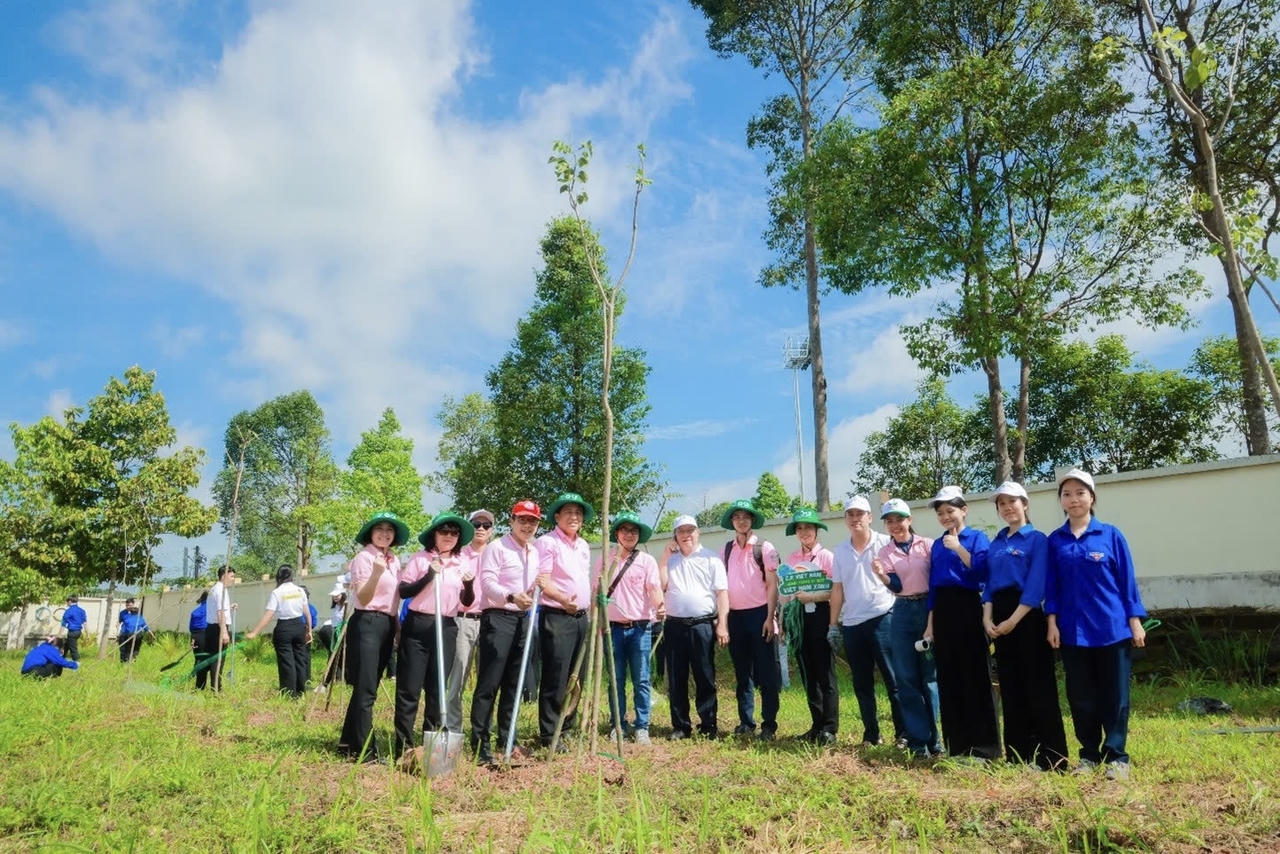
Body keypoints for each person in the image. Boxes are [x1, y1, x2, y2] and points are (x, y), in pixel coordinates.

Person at [1046, 468, 1147, 781]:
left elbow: (1127, 581)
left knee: (1115, 695)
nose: (1073, 499)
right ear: (1061, 501)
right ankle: (1089, 754)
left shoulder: (1111, 535)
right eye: (1067, 494)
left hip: (1111, 628)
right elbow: (1052, 586)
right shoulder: (1055, 541)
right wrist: (1052, 622)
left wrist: (1134, 621)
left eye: (1080, 493)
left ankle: (1117, 756)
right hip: (1072, 631)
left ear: (1092, 497)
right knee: (1081, 696)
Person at [983, 481, 1069, 771]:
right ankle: (1019, 755)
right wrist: (987, 618)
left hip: (1027, 616)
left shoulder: (1037, 540)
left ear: (1025, 504)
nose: (1007, 507)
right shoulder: (996, 543)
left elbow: (1035, 586)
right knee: (1011, 687)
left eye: (1013, 502)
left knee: (1038, 687)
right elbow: (989, 584)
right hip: (999, 616)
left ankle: (1052, 758)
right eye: (1002, 503)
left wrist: (1013, 620)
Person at [925, 485, 1000, 760]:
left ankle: (984, 749)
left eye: (950, 511)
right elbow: (933, 586)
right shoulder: (937, 544)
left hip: (969, 607)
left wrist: (958, 548)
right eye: (941, 513)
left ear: (964, 510)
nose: (946, 517)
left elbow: (982, 574)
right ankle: (957, 746)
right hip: (943, 612)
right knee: (949, 678)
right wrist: (930, 624)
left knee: (975, 676)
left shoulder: (977, 538)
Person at [394, 512, 476, 758]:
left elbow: (467, 602)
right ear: (434, 534)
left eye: (454, 533)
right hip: (418, 625)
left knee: (437, 688)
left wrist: (469, 585)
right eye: (444, 531)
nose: (449, 536)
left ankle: (431, 747)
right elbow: (404, 591)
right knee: (409, 689)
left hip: (447, 625)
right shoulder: (420, 559)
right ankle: (403, 747)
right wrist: (429, 575)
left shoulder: (462, 563)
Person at [827, 497, 903, 747]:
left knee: (894, 680)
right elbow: (837, 589)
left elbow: (900, 577)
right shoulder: (840, 551)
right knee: (862, 683)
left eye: (860, 514)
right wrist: (833, 625)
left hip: (883, 617)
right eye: (850, 514)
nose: (855, 518)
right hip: (852, 624)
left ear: (870, 517)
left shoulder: (885, 542)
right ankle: (871, 734)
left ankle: (903, 733)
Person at [471, 500, 542, 765]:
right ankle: (480, 744)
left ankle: (507, 739)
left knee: (514, 682)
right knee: (490, 683)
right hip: (498, 618)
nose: (527, 525)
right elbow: (487, 583)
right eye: (522, 520)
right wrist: (511, 596)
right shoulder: (497, 548)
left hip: (524, 620)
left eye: (532, 521)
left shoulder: (534, 551)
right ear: (512, 521)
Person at [338, 511, 410, 763]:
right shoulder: (364, 558)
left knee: (367, 687)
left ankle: (347, 743)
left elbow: (394, 599)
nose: (384, 534)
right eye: (379, 529)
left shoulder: (394, 560)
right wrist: (376, 573)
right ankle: (365, 751)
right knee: (366, 689)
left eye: (389, 530)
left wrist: (397, 629)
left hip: (387, 623)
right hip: (367, 622)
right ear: (370, 533)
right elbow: (364, 596)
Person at [874, 499, 941, 758]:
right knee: (906, 677)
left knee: (930, 678)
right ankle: (918, 741)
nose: (895, 525)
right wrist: (881, 575)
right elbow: (897, 586)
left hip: (927, 608)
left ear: (909, 520)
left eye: (899, 519)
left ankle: (935, 740)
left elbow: (936, 581)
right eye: (889, 521)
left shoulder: (928, 545)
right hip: (901, 611)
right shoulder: (885, 552)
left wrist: (933, 620)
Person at [660, 515, 729, 740]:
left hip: (702, 625)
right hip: (674, 625)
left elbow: (722, 593)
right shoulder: (670, 560)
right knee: (676, 677)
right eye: (681, 531)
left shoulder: (711, 558)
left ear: (698, 533)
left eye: (690, 530)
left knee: (705, 675)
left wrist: (723, 624)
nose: (686, 535)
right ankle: (681, 726)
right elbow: (660, 585)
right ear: (675, 536)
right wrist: (665, 556)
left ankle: (708, 724)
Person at [719, 498, 782, 741]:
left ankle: (769, 724)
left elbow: (772, 584)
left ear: (752, 520)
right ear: (732, 522)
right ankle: (746, 722)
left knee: (767, 673)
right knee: (742, 673)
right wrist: (723, 621)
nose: (741, 521)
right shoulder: (726, 550)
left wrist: (770, 616)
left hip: (760, 615)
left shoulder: (764, 548)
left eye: (746, 517)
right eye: (737, 517)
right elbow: (722, 587)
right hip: (735, 617)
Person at [600, 510, 664, 745]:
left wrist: (660, 605)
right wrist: (597, 625)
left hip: (640, 628)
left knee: (642, 679)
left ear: (639, 535)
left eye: (634, 531)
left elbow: (654, 588)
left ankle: (642, 726)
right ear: (617, 533)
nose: (629, 534)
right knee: (616, 680)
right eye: (625, 530)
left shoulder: (646, 561)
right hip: (612, 629)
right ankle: (618, 725)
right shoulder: (606, 559)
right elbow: (598, 592)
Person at [779, 507, 837, 744]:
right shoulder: (793, 558)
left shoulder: (827, 557)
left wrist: (812, 597)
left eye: (808, 527)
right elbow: (787, 592)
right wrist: (782, 621)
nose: (804, 532)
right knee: (807, 672)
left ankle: (830, 728)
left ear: (816, 530)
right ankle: (816, 725)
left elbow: (835, 590)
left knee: (825, 673)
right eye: (800, 528)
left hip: (821, 615)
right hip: (798, 618)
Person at [446, 509, 493, 735]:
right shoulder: (458, 555)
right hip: (463, 620)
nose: (481, 528)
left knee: (488, 680)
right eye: (476, 524)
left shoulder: (497, 553)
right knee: (457, 676)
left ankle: (481, 730)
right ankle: (452, 728)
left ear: (492, 530)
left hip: (491, 620)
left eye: (486, 525)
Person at [245, 565, 313, 698]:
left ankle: (289, 694)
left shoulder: (277, 592)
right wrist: (309, 631)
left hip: (284, 628)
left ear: (278, 577)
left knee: (287, 662)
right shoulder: (300, 590)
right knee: (300, 659)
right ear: (292, 576)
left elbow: (269, 614)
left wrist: (254, 632)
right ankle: (300, 692)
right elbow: (307, 613)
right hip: (299, 626)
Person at [204, 566, 237, 691]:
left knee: (215, 658)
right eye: (231, 576)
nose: (233, 579)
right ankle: (216, 689)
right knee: (218, 660)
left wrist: (229, 606)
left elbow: (219, 608)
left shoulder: (216, 589)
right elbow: (220, 612)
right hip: (218, 628)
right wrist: (224, 632)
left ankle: (214, 687)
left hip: (213, 627)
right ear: (223, 576)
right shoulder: (220, 590)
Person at [118, 597, 150, 663]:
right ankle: (123, 662)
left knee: (132, 649)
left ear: (133, 604)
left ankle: (131, 661)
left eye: (130, 605)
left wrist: (149, 632)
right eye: (127, 605)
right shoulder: (122, 613)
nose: (128, 607)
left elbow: (143, 624)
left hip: (134, 634)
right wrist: (117, 624)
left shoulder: (136, 613)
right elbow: (119, 621)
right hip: (124, 634)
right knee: (123, 649)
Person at [60, 596, 87, 662]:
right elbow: (85, 623)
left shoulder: (68, 611)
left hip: (72, 632)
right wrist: (87, 633)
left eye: (67, 602)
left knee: (73, 648)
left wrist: (59, 634)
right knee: (67, 645)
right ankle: (61, 659)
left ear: (70, 601)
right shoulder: (82, 611)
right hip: (78, 632)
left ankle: (77, 662)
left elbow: (63, 624)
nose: (66, 604)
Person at [189, 591, 209, 682]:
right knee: (204, 659)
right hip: (204, 635)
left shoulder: (195, 611)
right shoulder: (209, 608)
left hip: (195, 636)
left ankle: (192, 676)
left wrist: (192, 640)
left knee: (198, 657)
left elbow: (191, 628)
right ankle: (196, 680)